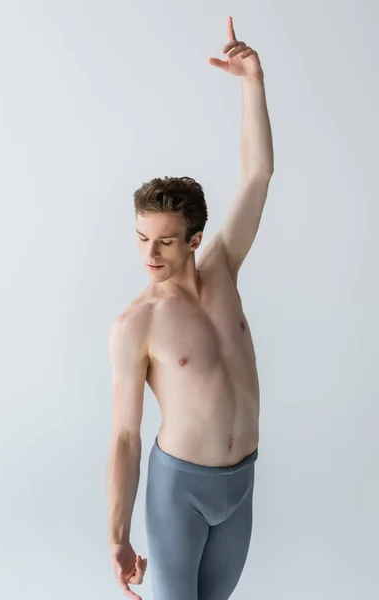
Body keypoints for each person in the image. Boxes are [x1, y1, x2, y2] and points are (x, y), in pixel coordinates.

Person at [107, 15, 274, 600]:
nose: (149, 252)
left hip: (242, 485)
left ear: (196, 238)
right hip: (180, 489)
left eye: (166, 240)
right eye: (141, 237)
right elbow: (126, 436)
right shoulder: (138, 322)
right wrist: (118, 534)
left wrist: (251, 80)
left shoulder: (224, 267)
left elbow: (258, 173)